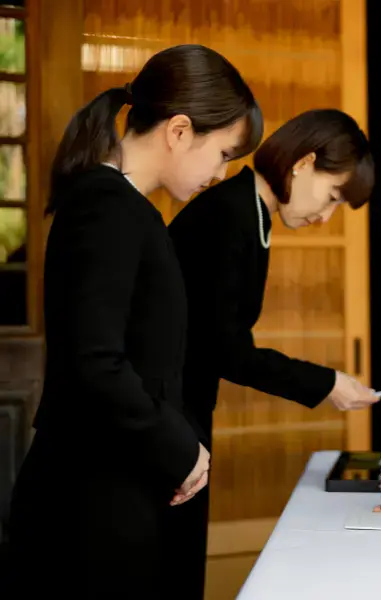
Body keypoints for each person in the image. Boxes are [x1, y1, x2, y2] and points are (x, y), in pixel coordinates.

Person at [6, 44, 263, 599]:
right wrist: (180, 447)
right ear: (179, 131)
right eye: (222, 154)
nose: (220, 173)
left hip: (115, 489)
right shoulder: (106, 206)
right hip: (89, 502)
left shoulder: (125, 208)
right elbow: (95, 362)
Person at [167, 108, 379, 598]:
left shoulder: (251, 212)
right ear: (304, 163)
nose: (325, 217)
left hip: (185, 408)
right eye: (332, 196)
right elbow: (228, 350)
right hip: (167, 414)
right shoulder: (231, 213)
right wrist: (326, 382)